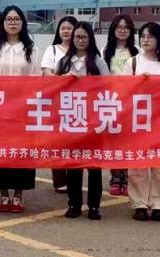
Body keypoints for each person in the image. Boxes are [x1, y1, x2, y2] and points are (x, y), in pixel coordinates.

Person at [0, 6, 38, 213]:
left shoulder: (31, 48)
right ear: (3, 23)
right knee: (0, 151)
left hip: (23, 109)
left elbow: (35, 78)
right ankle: (4, 194)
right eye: (8, 19)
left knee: (21, 152)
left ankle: (18, 195)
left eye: (16, 19)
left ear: (22, 22)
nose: (12, 23)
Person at [52, 21, 109, 220]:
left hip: (93, 119)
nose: (80, 40)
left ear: (90, 39)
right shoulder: (64, 62)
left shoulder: (98, 62)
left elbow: (108, 86)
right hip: (72, 118)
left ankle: (94, 206)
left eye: (84, 37)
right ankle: (74, 204)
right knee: (74, 164)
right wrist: (64, 79)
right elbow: (53, 88)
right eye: (77, 37)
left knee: (94, 166)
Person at [123, 22, 160, 222]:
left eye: (150, 36)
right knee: (138, 166)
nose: (145, 40)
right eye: (142, 36)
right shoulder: (133, 63)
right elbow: (123, 90)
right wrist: (138, 83)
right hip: (139, 120)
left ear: (158, 39)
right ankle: (139, 204)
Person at [40, 15, 79, 193]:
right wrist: (61, 79)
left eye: (69, 28)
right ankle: (59, 180)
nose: (66, 31)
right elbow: (46, 72)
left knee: (75, 141)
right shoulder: (52, 50)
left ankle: (74, 178)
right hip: (57, 100)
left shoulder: (83, 50)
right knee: (57, 141)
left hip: (79, 101)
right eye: (62, 28)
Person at [101, 14, 137, 197]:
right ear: (113, 30)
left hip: (130, 102)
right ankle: (115, 178)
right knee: (113, 142)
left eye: (126, 28)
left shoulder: (136, 51)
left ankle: (127, 178)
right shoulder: (106, 51)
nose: (122, 31)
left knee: (128, 142)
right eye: (119, 27)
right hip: (111, 101)